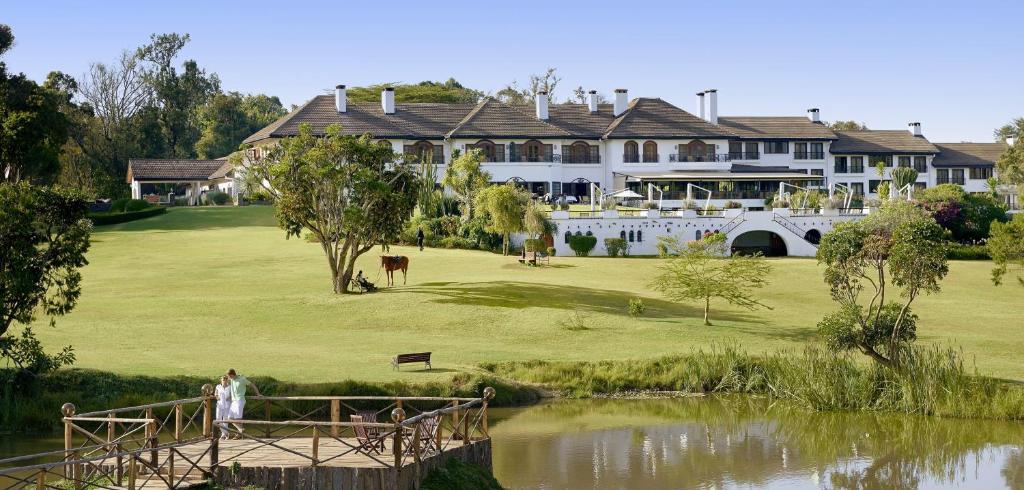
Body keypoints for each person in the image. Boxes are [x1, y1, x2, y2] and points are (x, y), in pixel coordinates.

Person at [226, 368, 261, 439]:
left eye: (229, 376)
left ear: (232, 375)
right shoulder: (232, 379)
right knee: (229, 418)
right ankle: (240, 430)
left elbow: (252, 385)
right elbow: (225, 381)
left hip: (240, 400)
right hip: (234, 401)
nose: (228, 378)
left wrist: (258, 394)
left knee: (238, 419)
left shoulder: (242, 379)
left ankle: (239, 434)